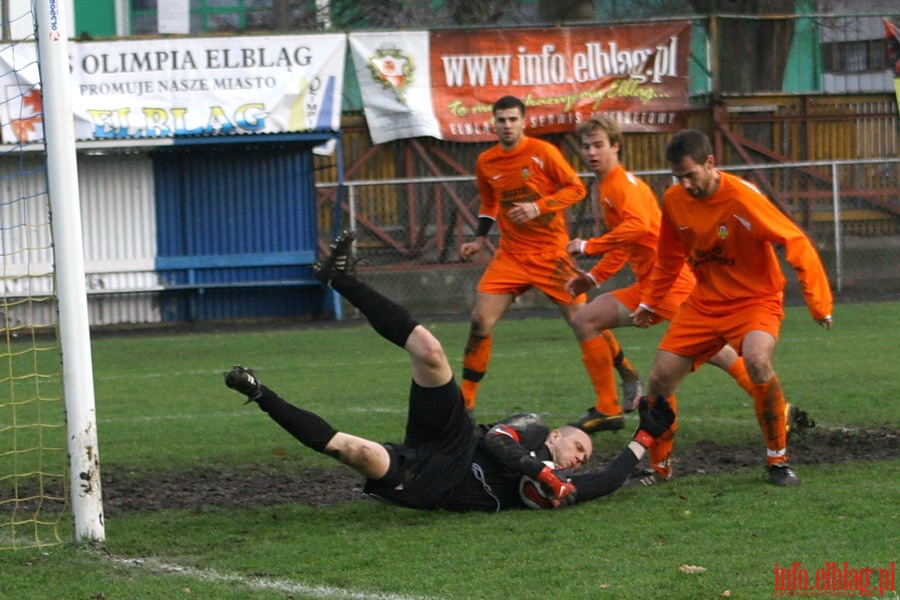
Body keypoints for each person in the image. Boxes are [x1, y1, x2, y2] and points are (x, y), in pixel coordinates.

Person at [223, 231, 676, 512]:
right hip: (455, 438)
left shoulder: (570, 481)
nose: (581, 457)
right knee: (431, 350)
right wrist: (544, 475)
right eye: (579, 445)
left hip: (434, 484)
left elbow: (612, 478)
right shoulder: (533, 428)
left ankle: (261, 394)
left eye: (584, 456)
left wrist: (644, 438)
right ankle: (341, 279)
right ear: (555, 436)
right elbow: (497, 443)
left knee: (352, 451)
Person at [631, 129, 833, 487]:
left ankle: (778, 461)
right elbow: (667, 257)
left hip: (755, 300)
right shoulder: (675, 199)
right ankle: (659, 469)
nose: (685, 184)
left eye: (690, 175)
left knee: (756, 360)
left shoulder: (742, 198)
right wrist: (650, 302)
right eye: (678, 177)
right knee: (659, 379)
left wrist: (818, 302)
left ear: (710, 163)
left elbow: (795, 240)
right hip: (705, 302)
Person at [564, 115, 754, 434]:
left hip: (668, 284)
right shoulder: (610, 185)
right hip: (654, 283)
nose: (592, 153)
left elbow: (636, 226)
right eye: (586, 147)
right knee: (586, 320)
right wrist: (593, 278)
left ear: (616, 147)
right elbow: (628, 242)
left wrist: (589, 246)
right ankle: (608, 409)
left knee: (709, 351)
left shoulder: (621, 186)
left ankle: (612, 411)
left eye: (599, 145)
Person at [459, 95, 641, 414]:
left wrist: (537, 207)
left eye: (513, 119)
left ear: (523, 121)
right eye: (501, 120)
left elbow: (576, 189)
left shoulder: (543, 152)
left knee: (585, 322)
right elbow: (489, 203)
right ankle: (465, 403)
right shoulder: (486, 161)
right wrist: (478, 240)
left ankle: (628, 374)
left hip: (550, 255)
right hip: (511, 257)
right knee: (479, 321)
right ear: (493, 122)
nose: (507, 125)